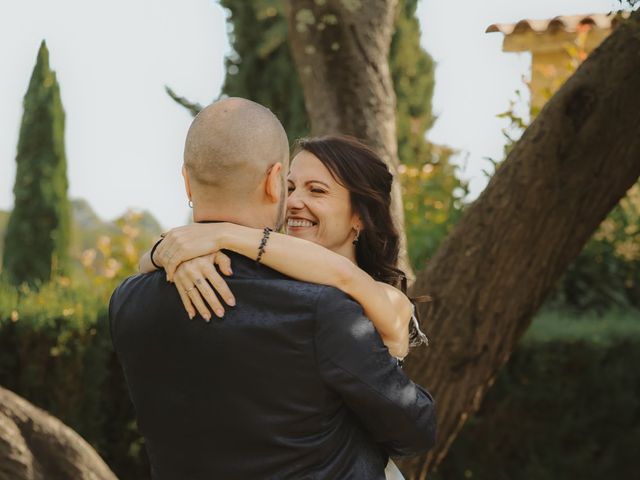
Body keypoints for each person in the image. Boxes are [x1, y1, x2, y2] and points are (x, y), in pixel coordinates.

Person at [109, 97, 436, 480]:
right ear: (273, 183)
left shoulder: (127, 300)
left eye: (317, 190)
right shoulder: (315, 307)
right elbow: (414, 429)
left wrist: (203, 239)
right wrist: (169, 251)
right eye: (291, 186)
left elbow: (348, 281)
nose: (295, 201)